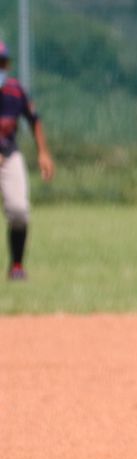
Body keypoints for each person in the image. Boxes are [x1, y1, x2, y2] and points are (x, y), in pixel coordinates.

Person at [0, 42, 54, 282]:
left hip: (9, 155)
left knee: (19, 211)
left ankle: (17, 266)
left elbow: (34, 119)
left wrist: (43, 153)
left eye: (2, 63)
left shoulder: (15, 91)